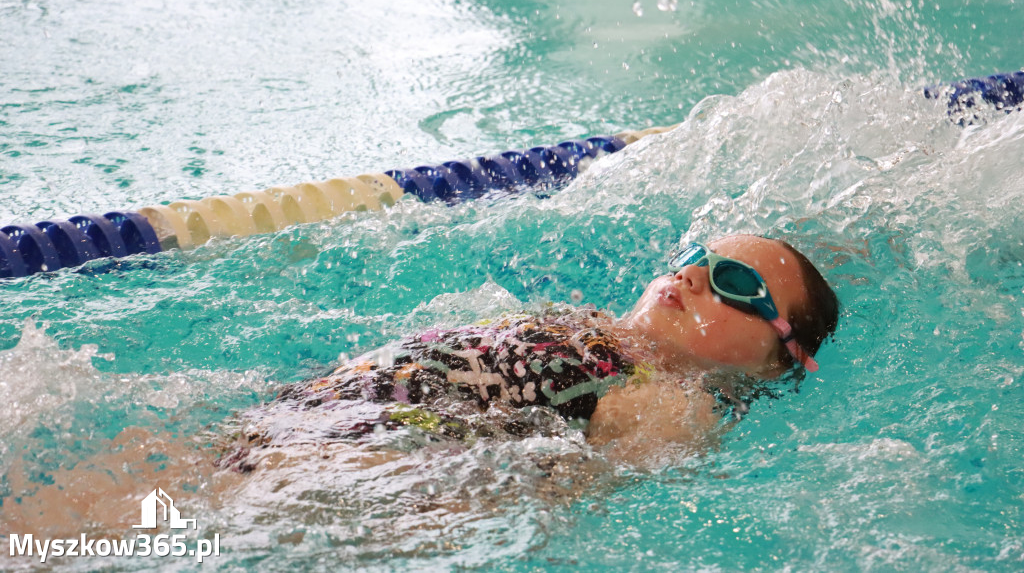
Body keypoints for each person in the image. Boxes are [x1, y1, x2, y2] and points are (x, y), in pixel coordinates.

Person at [218, 234, 839, 469]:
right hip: (299, 415)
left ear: (777, 359)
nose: (692, 274)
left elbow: (566, 486)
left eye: (735, 281)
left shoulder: (676, 404)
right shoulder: (589, 323)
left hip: (361, 461)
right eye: (694, 257)